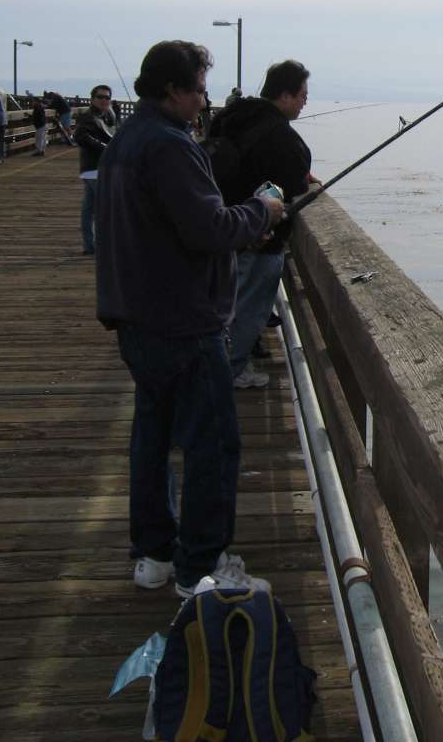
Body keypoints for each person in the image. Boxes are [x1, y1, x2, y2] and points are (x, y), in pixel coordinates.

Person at [94, 39, 285, 598]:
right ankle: (199, 566)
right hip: (181, 321)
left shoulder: (126, 141)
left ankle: (154, 554)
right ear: (174, 90)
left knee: (152, 439)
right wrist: (263, 211)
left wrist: (241, 219)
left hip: (135, 317)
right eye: (200, 89)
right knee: (212, 446)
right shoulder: (170, 146)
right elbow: (208, 229)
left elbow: (177, 224)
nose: (205, 100)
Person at [207, 60, 317, 388]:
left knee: (224, 308)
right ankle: (232, 372)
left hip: (223, 228)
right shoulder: (280, 136)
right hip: (260, 239)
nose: (304, 102)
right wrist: (305, 180)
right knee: (249, 310)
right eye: (301, 96)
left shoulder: (230, 117)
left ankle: (216, 369)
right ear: (284, 95)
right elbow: (292, 185)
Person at [74, 84, 120, 255]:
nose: (104, 100)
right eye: (100, 97)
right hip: (93, 168)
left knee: (89, 207)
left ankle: (89, 246)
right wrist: (103, 147)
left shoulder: (109, 115)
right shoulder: (87, 116)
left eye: (107, 97)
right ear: (92, 99)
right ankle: (102, 245)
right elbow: (79, 136)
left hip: (101, 167)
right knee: (104, 208)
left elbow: (115, 133)